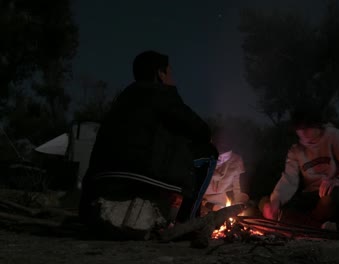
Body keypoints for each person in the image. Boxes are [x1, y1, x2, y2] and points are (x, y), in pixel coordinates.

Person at [79, 50, 218, 240]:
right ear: (160, 74)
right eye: (170, 73)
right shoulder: (163, 94)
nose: (172, 78)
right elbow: (200, 129)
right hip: (139, 170)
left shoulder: (124, 97)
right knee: (209, 153)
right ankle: (187, 222)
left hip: (101, 175)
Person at [261, 106, 339, 230]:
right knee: (269, 204)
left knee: (328, 200)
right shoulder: (296, 150)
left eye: (308, 127)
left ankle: (309, 224)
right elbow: (289, 179)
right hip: (312, 198)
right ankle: (323, 226)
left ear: (318, 125)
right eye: (300, 129)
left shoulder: (336, 137)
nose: (304, 133)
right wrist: (276, 201)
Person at [200, 128, 249, 215]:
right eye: (218, 155)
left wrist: (240, 204)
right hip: (200, 201)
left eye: (225, 156)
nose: (220, 159)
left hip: (221, 202)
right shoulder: (202, 158)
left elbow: (237, 189)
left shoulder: (236, 162)